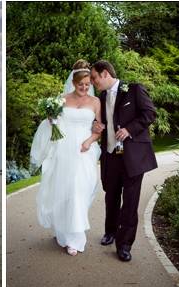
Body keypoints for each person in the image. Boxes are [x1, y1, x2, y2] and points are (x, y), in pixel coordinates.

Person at [31, 59, 102, 256]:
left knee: (80, 191)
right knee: (64, 192)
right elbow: (53, 125)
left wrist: (90, 140)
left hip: (84, 151)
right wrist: (51, 121)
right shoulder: (61, 100)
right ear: (74, 82)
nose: (85, 88)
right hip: (63, 150)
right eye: (81, 85)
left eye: (88, 85)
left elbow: (99, 129)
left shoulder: (95, 102)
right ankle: (67, 234)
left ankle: (75, 235)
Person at [90, 60, 158, 262]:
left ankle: (124, 245)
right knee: (111, 197)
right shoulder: (101, 97)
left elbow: (150, 114)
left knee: (130, 202)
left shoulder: (134, 89)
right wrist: (96, 126)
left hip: (132, 156)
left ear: (104, 73)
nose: (93, 82)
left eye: (94, 77)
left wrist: (129, 130)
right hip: (110, 155)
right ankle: (110, 232)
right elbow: (100, 121)